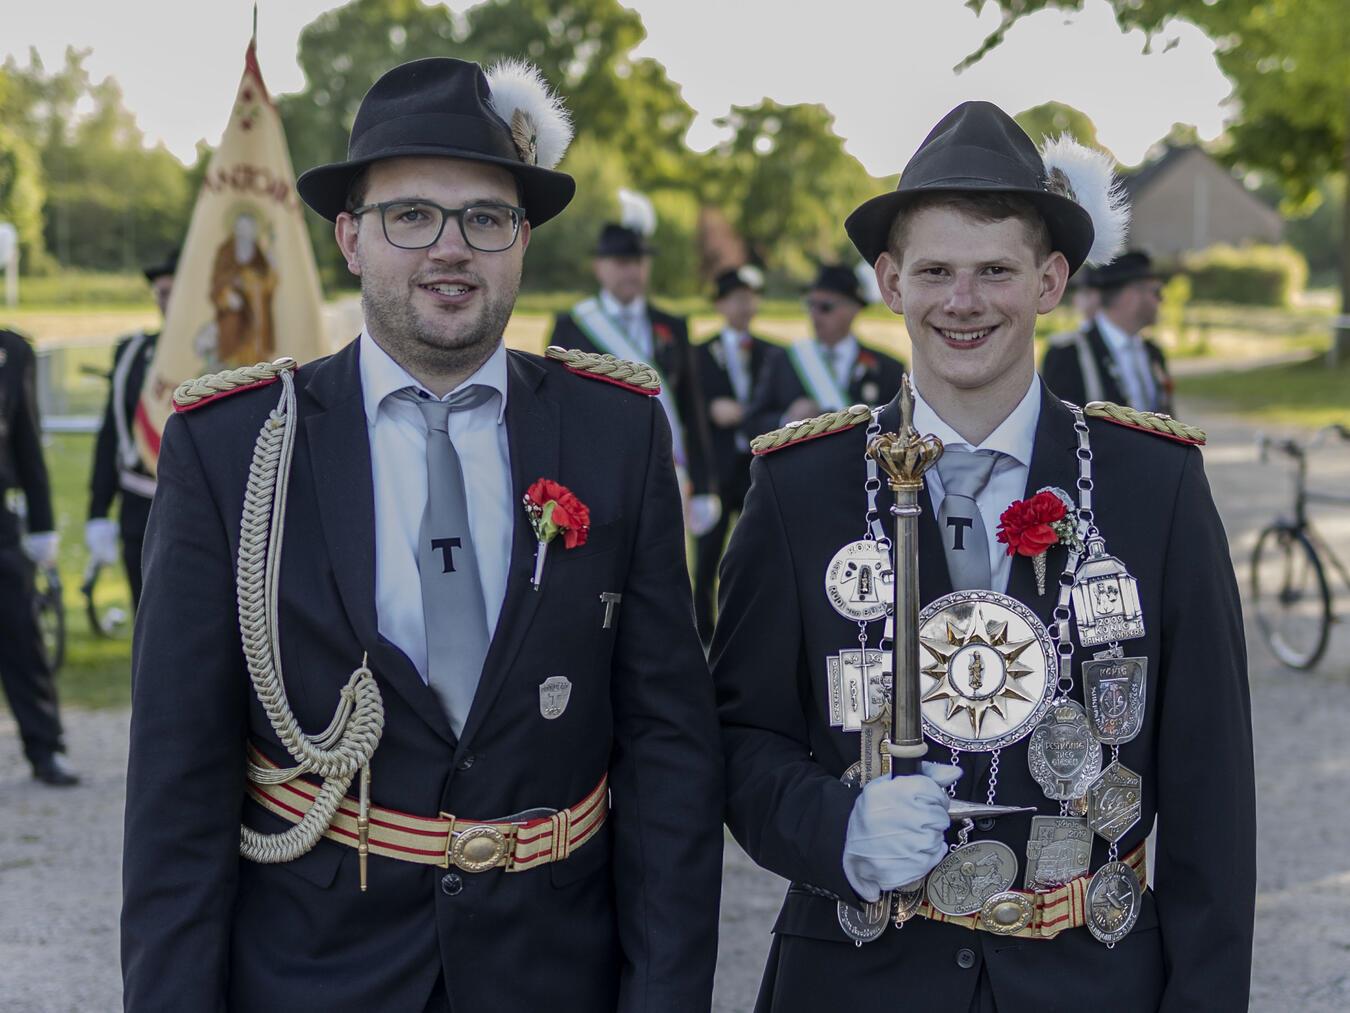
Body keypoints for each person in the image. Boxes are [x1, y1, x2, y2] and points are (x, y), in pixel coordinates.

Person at [122, 57, 723, 1013]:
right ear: (351, 238)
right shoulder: (232, 447)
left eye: (486, 217)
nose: (451, 248)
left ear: (522, 243)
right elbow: (176, 792)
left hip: (552, 973)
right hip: (315, 974)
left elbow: (668, 755)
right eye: (412, 216)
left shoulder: (615, 430)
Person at [712, 101, 1254, 1012]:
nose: (963, 302)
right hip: (855, 976)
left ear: (1049, 281)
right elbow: (736, 736)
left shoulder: (1152, 483)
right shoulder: (798, 485)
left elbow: (1212, 791)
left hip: (1089, 976)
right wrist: (837, 827)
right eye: (935, 271)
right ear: (889, 282)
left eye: (995, 270)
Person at [548, 211, 719, 523]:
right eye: (621, 262)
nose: (631, 271)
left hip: (664, 471)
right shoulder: (572, 327)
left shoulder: (673, 326)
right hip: (596, 474)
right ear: (599, 267)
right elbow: (557, 408)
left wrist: (705, 484)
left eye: (638, 262)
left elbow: (690, 407)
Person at [0, 327, 77, 785]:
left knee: (21, 637)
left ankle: (45, 747)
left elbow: (26, 438)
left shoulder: (11, 352)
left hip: (0, 522)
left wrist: (44, 526)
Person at [86, 250, 176, 608]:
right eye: (160, 294)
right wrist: (97, 510)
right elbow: (112, 431)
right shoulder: (133, 352)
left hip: (199, 503)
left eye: (173, 293)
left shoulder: (224, 355)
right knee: (146, 614)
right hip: (139, 502)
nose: (164, 302)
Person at [691, 265, 774, 643]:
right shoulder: (698, 354)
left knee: (757, 550)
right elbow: (686, 405)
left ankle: (753, 623)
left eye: (750, 297)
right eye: (735, 298)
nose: (744, 305)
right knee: (707, 550)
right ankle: (702, 627)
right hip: (716, 464)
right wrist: (709, 408)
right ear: (721, 305)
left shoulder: (773, 353)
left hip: (759, 465)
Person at [744, 263, 904, 439]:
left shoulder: (889, 368)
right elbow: (752, 423)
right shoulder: (783, 360)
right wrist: (788, 419)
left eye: (825, 307)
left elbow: (901, 428)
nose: (814, 314)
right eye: (810, 305)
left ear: (854, 309)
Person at [1042, 250, 1173, 414]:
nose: (1161, 300)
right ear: (1131, 296)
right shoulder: (1067, 354)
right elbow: (1058, 428)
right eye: (1156, 292)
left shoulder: (1153, 352)